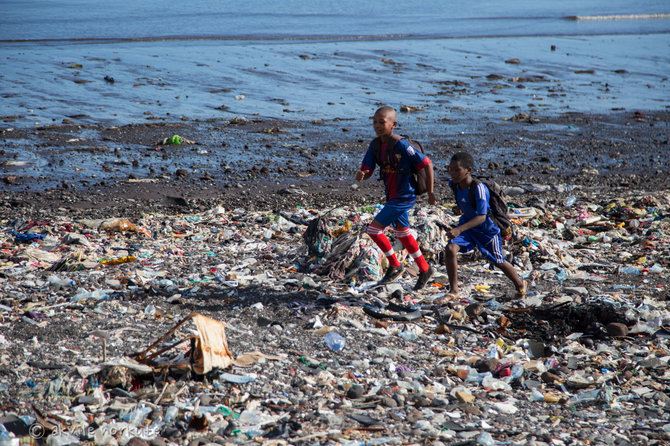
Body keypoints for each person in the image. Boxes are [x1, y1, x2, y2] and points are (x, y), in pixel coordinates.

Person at [355, 106, 437, 290]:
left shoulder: (402, 145)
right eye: (375, 122)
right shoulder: (375, 145)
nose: (377, 125)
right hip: (391, 196)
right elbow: (367, 170)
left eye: (382, 122)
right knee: (403, 233)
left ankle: (395, 265)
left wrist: (431, 192)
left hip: (404, 197)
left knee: (374, 230)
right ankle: (425, 269)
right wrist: (362, 175)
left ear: (393, 125)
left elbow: (427, 163)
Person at [444, 151, 527, 298]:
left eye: (457, 170)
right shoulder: (454, 185)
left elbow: (482, 217)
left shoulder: (479, 189)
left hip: (486, 229)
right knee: (450, 249)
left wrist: (458, 229)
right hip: (468, 226)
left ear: (468, 170)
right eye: (451, 169)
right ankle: (454, 290)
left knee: (497, 260)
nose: (453, 174)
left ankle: (520, 283)